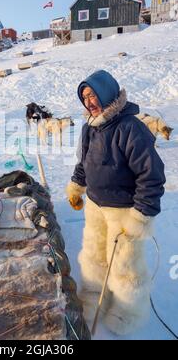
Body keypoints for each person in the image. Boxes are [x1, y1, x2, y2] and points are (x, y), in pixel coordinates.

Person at [66, 70, 166, 335]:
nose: (89, 101)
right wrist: (76, 187)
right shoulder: (90, 126)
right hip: (96, 206)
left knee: (125, 266)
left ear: (107, 93)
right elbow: (83, 163)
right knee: (94, 255)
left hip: (124, 211)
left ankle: (128, 312)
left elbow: (152, 175)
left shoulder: (130, 127)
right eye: (84, 97)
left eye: (93, 94)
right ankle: (93, 297)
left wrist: (140, 217)